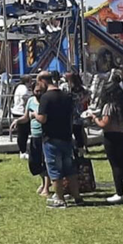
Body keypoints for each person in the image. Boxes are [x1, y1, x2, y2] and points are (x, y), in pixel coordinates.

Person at [34, 71, 83, 209]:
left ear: (43, 81)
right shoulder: (66, 96)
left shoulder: (46, 98)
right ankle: (77, 196)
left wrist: (34, 115)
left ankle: (60, 199)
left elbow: (43, 118)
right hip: (66, 136)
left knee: (55, 170)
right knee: (70, 169)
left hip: (51, 138)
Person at [89, 82, 123, 203]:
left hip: (112, 136)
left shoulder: (109, 106)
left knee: (115, 165)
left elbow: (104, 124)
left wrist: (94, 118)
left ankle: (119, 193)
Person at [11, 81, 51, 196]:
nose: (38, 93)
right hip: (34, 135)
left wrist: (35, 115)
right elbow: (26, 117)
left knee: (45, 161)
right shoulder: (30, 101)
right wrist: (17, 121)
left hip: (44, 135)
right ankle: (44, 182)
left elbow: (44, 118)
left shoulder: (45, 102)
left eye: (41, 91)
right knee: (35, 162)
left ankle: (46, 186)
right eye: (36, 91)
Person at [65, 72, 90, 155]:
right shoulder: (75, 88)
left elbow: (89, 93)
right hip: (75, 113)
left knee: (77, 132)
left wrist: (82, 101)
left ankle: (80, 149)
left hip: (76, 113)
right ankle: (80, 149)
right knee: (78, 132)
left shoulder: (76, 89)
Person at [11, 76, 32, 159]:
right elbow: (24, 97)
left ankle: (23, 150)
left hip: (17, 111)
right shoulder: (23, 88)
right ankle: (22, 151)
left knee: (22, 133)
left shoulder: (19, 87)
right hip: (20, 112)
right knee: (23, 133)